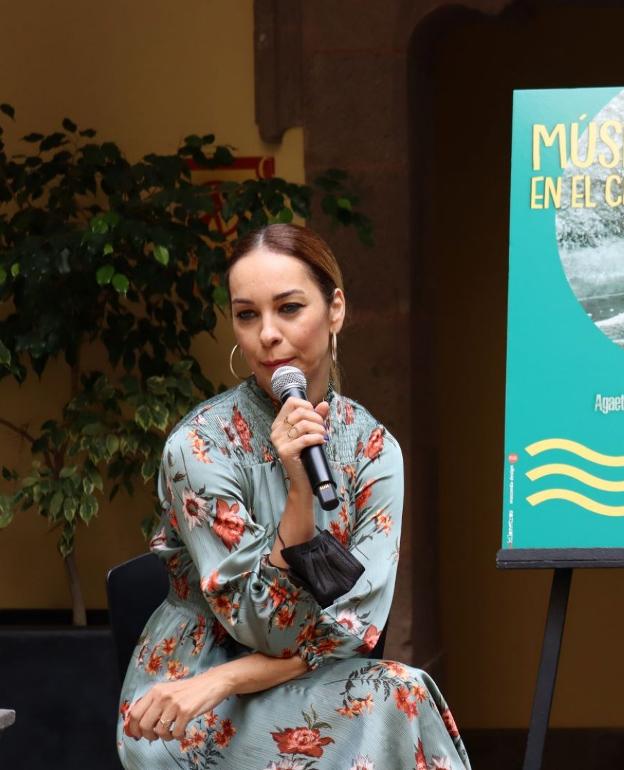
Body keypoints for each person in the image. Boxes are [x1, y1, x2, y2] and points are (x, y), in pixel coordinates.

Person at [116, 224, 469, 769]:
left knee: (401, 692)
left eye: (288, 308)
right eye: (248, 314)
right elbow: (263, 628)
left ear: (336, 310)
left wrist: (229, 677)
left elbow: (358, 629)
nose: (268, 336)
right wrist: (300, 497)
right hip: (184, 697)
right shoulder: (200, 448)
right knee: (399, 697)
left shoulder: (375, 450)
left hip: (288, 678)